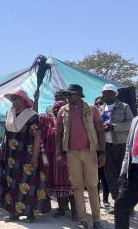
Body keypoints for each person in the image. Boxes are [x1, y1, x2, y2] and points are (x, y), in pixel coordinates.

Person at [56, 84, 106, 229]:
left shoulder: (91, 109)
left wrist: (102, 152)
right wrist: (59, 154)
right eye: (68, 94)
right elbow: (58, 133)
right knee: (77, 186)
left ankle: (97, 220)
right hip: (71, 153)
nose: (69, 97)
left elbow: (100, 130)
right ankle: (82, 219)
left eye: (71, 94)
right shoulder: (62, 110)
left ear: (79, 95)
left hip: (89, 151)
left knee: (92, 186)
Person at [0, 90, 51, 222]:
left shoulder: (31, 115)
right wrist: (2, 147)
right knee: (12, 183)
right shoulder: (9, 114)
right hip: (11, 156)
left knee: (29, 183)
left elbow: (37, 136)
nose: (14, 101)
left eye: (17, 99)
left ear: (24, 101)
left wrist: (34, 156)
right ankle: (14, 212)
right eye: (13, 99)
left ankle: (30, 213)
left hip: (27, 154)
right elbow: (6, 133)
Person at [39, 98, 77, 221]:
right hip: (52, 158)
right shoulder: (47, 120)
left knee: (70, 184)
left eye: (59, 109)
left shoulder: (70, 121)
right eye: (54, 109)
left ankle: (75, 211)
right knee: (57, 184)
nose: (56, 111)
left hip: (67, 157)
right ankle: (61, 209)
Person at [100, 84, 133, 206]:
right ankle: (117, 202)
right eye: (104, 92)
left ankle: (126, 204)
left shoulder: (124, 107)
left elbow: (131, 124)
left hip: (120, 145)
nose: (105, 94)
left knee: (123, 176)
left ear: (115, 94)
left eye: (108, 92)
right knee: (109, 176)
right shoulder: (100, 108)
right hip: (105, 146)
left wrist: (113, 127)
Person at [114, 116, 138, 229]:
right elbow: (129, 146)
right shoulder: (135, 120)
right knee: (121, 206)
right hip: (133, 170)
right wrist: (124, 169)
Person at [94, 96, 110, 206]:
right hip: (95, 149)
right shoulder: (91, 116)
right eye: (97, 103)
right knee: (96, 176)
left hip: (107, 147)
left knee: (106, 176)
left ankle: (105, 199)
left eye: (101, 103)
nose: (99, 105)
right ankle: (97, 201)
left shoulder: (108, 114)